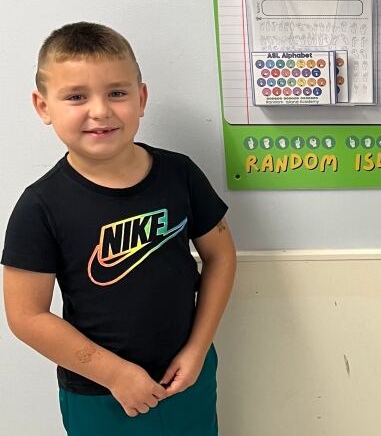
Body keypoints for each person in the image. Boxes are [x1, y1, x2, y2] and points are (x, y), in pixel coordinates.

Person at [2, 22, 237, 435]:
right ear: (43, 107)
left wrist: (198, 349)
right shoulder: (40, 206)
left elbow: (221, 256)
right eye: (76, 96)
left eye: (117, 92)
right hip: (99, 393)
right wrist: (114, 374)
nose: (100, 110)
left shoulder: (179, 174)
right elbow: (26, 316)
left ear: (141, 98)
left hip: (187, 375)